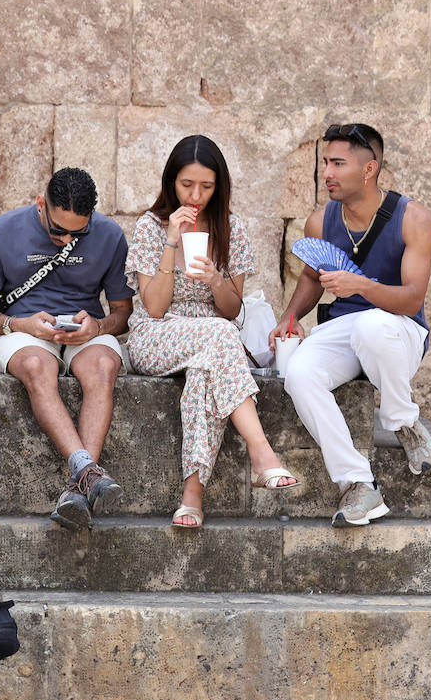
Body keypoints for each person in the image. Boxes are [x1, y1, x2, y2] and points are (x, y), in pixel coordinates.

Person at [269, 123, 431, 527]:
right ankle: (358, 483)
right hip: (345, 328)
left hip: (399, 331)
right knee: (299, 373)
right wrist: (289, 318)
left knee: (371, 327)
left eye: (338, 163)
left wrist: (361, 285)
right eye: (325, 162)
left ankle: (405, 423)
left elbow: (413, 298)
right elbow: (312, 278)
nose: (327, 172)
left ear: (368, 170)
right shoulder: (320, 221)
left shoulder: (412, 218)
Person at [125, 135, 300, 527]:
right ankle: (261, 452)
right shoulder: (151, 227)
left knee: (208, 366)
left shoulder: (229, 229)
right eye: (187, 185)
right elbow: (153, 307)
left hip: (209, 336)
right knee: (219, 337)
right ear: (172, 181)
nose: (196, 195)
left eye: (206, 186)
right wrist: (172, 241)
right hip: (157, 335)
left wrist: (217, 280)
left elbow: (233, 308)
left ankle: (192, 495)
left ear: (219, 186)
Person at [0, 167, 136, 531]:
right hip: (22, 329)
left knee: (104, 365)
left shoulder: (109, 235)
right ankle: (88, 472)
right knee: (38, 369)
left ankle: (77, 486)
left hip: (84, 329)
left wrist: (98, 326)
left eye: (78, 232)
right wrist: (18, 324)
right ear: (41, 204)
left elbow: (123, 313)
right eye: (58, 230)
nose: (66, 238)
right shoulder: (2, 232)